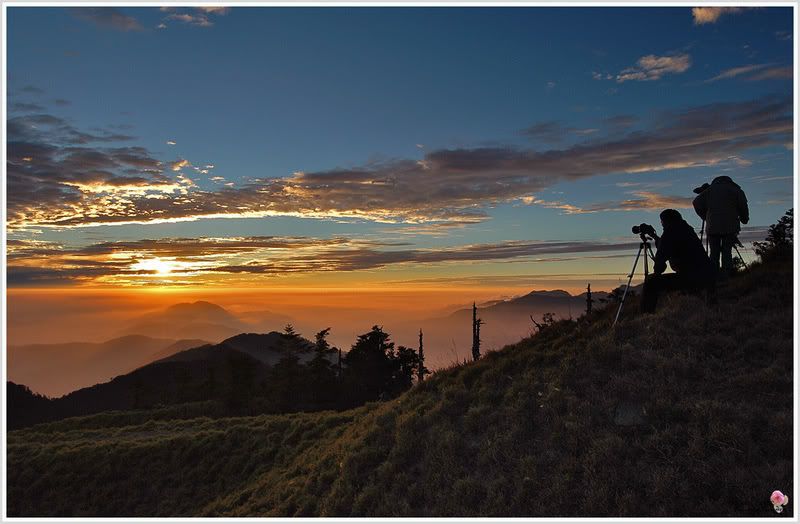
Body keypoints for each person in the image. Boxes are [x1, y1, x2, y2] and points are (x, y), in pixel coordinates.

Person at [640, 209, 715, 313]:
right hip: (706, 274)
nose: (662, 225)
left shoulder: (670, 232)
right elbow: (669, 245)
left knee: (651, 283)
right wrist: (654, 236)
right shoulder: (686, 229)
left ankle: (646, 315)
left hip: (691, 277)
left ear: (666, 221)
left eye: (662, 222)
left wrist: (656, 273)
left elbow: (661, 261)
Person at [692, 176, 749, 277]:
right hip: (730, 226)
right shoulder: (736, 190)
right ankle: (727, 276)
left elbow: (696, 202)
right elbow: (743, 205)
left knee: (714, 253)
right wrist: (744, 219)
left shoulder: (709, 190)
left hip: (712, 226)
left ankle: (714, 277)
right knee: (727, 251)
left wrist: (704, 216)